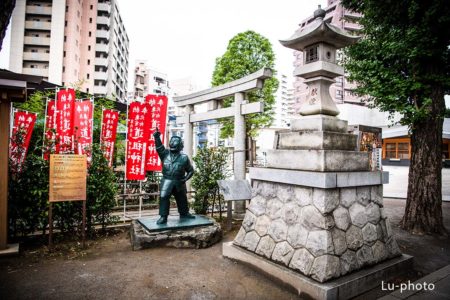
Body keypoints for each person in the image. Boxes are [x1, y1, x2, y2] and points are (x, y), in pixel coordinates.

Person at [153, 127, 195, 224]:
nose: (173, 144)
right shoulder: (165, 154)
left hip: (179, 181)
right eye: (172, 142)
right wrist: (157, 137)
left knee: (182, 198)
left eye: (176, 143)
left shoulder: (184, 158)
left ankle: (184, 213)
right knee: (163, 197)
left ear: (180, 146)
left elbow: (190, 171)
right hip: (167, 180)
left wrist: (185, 179)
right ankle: (163, 216)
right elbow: (159, 147)